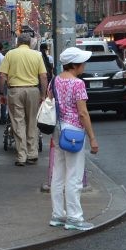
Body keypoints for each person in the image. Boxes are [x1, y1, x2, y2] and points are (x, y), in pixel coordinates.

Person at [49, 47, 98, 232]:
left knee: (58, 174)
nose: (84, 65)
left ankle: (57, 215)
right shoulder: (77, 84)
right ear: (75, 64)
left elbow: (49, 102)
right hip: (74, 133)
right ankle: (75, 218)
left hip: (57, 129)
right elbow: (83, 113)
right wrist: (92, 137)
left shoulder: (54, 80)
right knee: (74, 176)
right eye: (82, 63)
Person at [0, 33, 48, 166]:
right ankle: (32, 154)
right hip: (33, 90)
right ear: (30, 43)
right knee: (32, 121)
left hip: (15, 90)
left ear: (18, 42)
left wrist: (2, 93)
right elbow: (43, 77)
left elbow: (3, 76)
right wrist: (43, 95)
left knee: (18, 122)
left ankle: (21, 156)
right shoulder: (37, 55)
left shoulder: (10, 54)